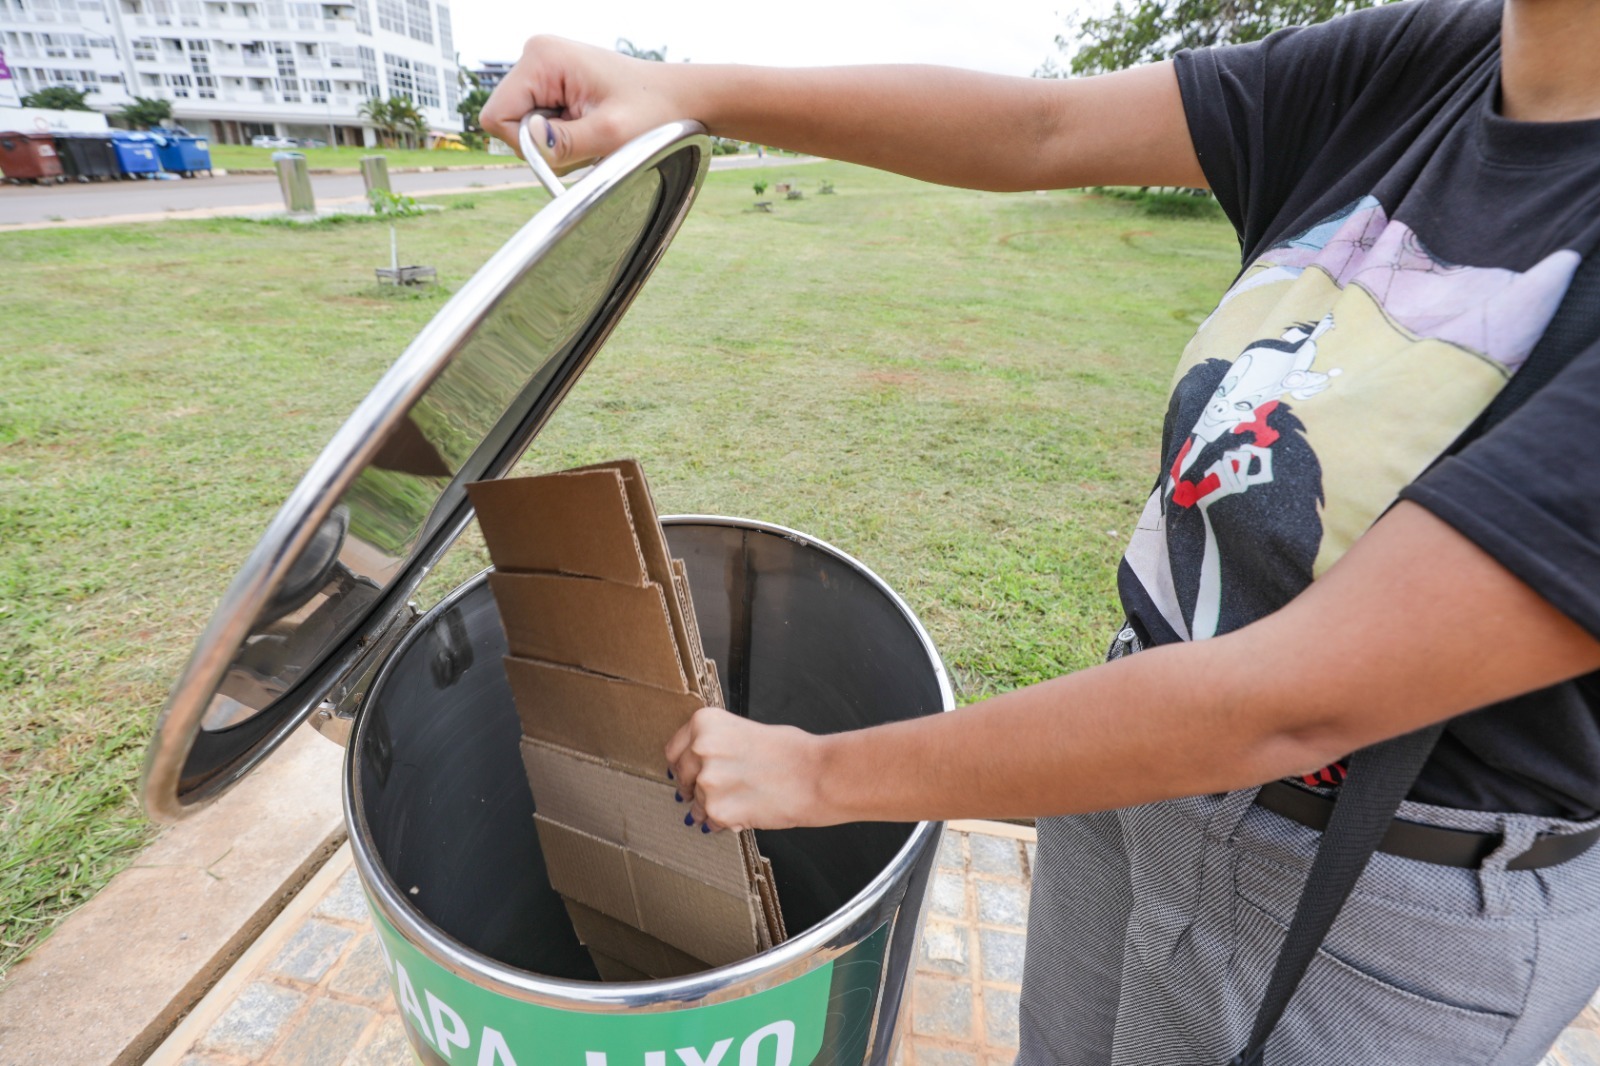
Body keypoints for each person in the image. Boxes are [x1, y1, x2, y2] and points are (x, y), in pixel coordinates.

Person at [481, 2, 1600, 1061]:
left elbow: (1294, 696)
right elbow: (1042, 123)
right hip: (1136, 760)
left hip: (1376, 906)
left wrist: (817, 776)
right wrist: (680, 90)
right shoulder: (1431, 67)